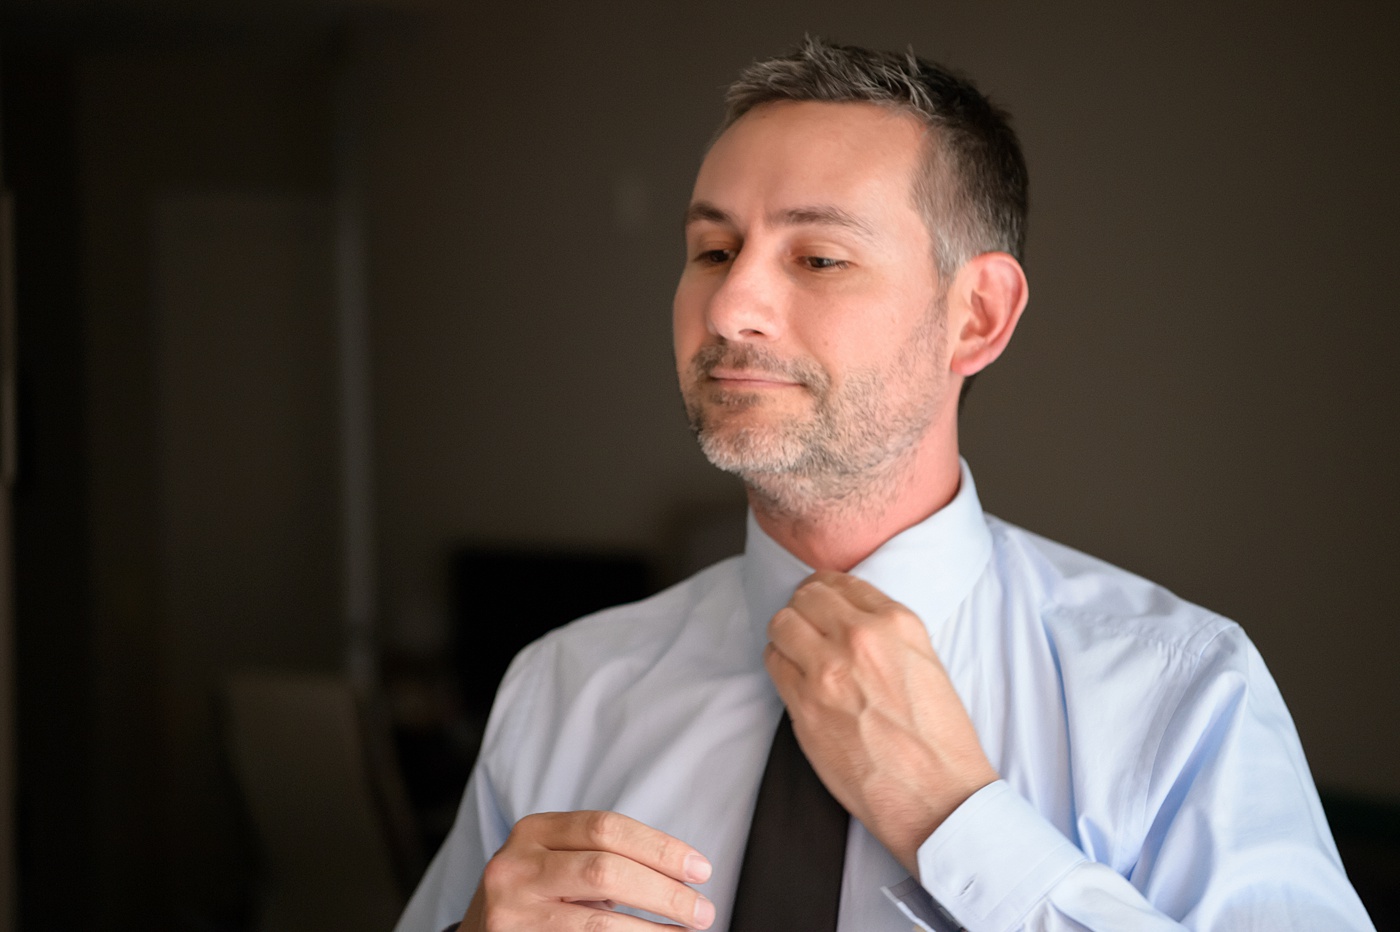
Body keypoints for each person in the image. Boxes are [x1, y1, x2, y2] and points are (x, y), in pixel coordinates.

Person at [395, 37, 1374, 932]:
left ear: (977, 316)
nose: (730, 305)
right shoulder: (562, 688)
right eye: (710, 250)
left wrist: (957, 818)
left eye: (817, 256)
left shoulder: (1182, 692)